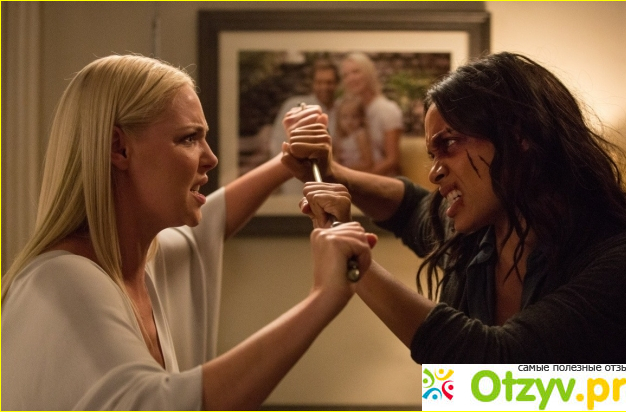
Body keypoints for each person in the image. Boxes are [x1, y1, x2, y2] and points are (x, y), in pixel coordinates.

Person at [0, 54, 377, 410]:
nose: (211, 158)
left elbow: (208, 225)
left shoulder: (142, 259)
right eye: (189, 138)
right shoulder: (61, 280)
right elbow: (157, 404)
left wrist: (287, 162)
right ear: (119, 148)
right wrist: (323, 297)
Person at [281, 52, 626, 363]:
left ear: (519, 136)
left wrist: (354, 263)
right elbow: (410, 207)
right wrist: (332, 172)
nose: (435, 172)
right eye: (432, 154)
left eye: (449, 144)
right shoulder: (477, 241)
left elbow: (499, 366)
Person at [269, 59, 339, 194]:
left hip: (332, 182)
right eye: (319, 82)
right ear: (313, 84)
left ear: (336, 84)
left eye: (329, 82)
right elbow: (277, 143)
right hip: (296, 181)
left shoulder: (342, 111)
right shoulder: (294, 105)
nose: (324, 87)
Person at [339, 52, 403, 176]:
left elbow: (392, 160)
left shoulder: (388, 109)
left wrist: (361, 180)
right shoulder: (346, 110)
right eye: (345, 75)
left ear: (368, 73)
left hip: (384, 180)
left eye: (356, 72)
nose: (351, 78)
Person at [332, 94, 374, 171]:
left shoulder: (360, 135)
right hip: (344, 171)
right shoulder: (340, 137)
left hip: (359, 172)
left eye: (354, 117)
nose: (349, 122)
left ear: (361, 118)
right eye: (344, 117)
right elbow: (337, 158)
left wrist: (344, 169)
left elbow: (368, 163)